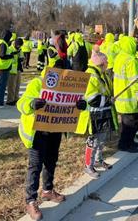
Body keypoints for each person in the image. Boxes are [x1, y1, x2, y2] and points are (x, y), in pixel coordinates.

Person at [17, 59, 87, 221]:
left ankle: (47, 190)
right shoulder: (37, 83)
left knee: (51, 161)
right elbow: (21, 104)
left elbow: (77, 107)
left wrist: (82, 106)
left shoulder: (70, 88)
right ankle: (31, 201)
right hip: (37, 133)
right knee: (35, 166)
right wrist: (32, 104)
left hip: (55, 130)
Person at [76, 49, 117, 179]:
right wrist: (108, 101)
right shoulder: (91, 75)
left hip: (103, 112)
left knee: (102, 139)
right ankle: (88, 165)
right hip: (93, 114)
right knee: (93, 140)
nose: (108, 64)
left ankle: (99, 160)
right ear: (101, 63)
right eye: (106, 62)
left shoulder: (101, 74)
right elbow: (92, 98)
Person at [113, 36, 138, 153]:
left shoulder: (119, 58)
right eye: (135, 43)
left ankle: (130, 142)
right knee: (131, 124)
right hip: (130, 99)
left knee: (126, 123)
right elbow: (135, 82)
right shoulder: (131, 61)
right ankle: (124, 144)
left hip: (122, 98)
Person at [0, 30, 14, 108]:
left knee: (0, 86)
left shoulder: (0, 42)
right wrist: (10, 56)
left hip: (1, 67)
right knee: (1, 86)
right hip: (3, 67)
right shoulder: (3, 43)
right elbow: (2, 55)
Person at [6, 38, 24, 106]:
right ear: (15, 43)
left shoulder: (20, 49)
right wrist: (14, 54)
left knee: (17, 85)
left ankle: (16, 98)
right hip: (12, 70)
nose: (19, 46)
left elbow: (22, 56)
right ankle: (10, 100)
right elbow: (9, 58)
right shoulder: (10, 49)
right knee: (11, 86)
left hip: (18, 69)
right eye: (18, 45)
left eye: (20, 45)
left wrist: (21, 58)